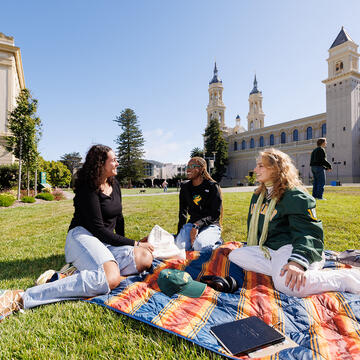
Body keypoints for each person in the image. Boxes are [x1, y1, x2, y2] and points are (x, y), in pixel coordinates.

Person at [0, 144, 154, 318]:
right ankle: (21, 297)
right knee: (110, 277)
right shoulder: (88, 188)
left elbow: (119, 218)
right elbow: (98, 230)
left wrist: (130, 244)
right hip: (82, 237)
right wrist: (135, 243)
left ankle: (70, 275)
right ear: (100, 164)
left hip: (105, 244)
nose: (117, 163)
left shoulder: (115, 184)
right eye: (114, 160)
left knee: (144, 258)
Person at [229, 148, 360, 297]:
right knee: (235, 255)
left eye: (260, 165)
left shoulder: (295, 195)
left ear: (275, 168)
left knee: (288, 286)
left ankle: (348, 278)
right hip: (270, 249)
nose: (255, 169)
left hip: (292, 247)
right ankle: (287, 271)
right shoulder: (260, 195)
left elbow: (309, 232)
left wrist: (296, 262)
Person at [175, 157, 222, 251]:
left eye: (192, 166)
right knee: (180, 247)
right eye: (187, 166)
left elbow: (215, 214)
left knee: (199, 246)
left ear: (201, 169)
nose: (188, 169)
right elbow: (182, 213)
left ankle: (218, 243)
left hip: (210, 224)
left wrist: (197, 225)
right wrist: (179, 234)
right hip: (192, 224)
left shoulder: (212, 186)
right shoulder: (185, 187)